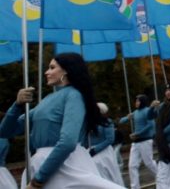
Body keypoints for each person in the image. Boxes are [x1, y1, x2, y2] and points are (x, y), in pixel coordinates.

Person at [0, 53, 122, 188]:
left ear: (66, 70)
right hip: (43, 163)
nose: (47, 72)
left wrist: (39, 180)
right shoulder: (46, 100)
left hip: (65, 165)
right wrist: (17, 105)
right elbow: (5, 131)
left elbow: (68, 142)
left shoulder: (74, 95)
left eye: (52, 68)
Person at [119, 94, 157, 189]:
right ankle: (135, 187)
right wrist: (127, 118)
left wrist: (138, 133)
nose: (136, 103)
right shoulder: (136, 112)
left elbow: (151, 125)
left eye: (138, 101)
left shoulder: (147, 111)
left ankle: (162, 177)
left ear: (142, 102)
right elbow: (121, 121)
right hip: (136, 143)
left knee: (149, 163)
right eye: (136, 101)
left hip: (145, 141)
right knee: (132, 166)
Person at [89, 102, 124, 185]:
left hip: (105, 153)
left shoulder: (107, 122)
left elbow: (110, 139)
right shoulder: (91, 123)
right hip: (92, 153)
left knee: (111, 176)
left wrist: (95, 150)